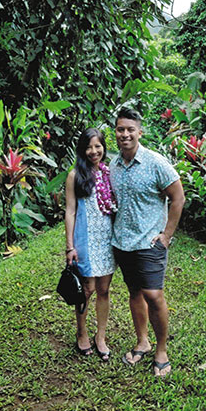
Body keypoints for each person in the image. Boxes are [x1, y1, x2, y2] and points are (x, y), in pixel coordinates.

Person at [109, 108, 185, 377]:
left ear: (140, 132)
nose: (125, 134)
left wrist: (167, 235)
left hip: (150, 242)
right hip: (122, 242)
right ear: (115, 133)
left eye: (130, 129)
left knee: (154, 295)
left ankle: (161, 349)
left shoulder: (155, 162)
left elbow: (178, 197)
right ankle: (142, 341)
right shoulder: (113, 165)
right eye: (120, 129)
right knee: (135, 292)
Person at [64, 127, 117, 362]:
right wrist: (70, 246)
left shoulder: (109, 173)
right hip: (85, 239)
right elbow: (70, 211)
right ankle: (82, 332)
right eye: (89, 147)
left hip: (107, 240)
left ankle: (100, 336)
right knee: (87, 289)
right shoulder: (75, 175)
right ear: (82, 150)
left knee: (104, 289)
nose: (94, 151)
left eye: (98, 146)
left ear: (104, 147)